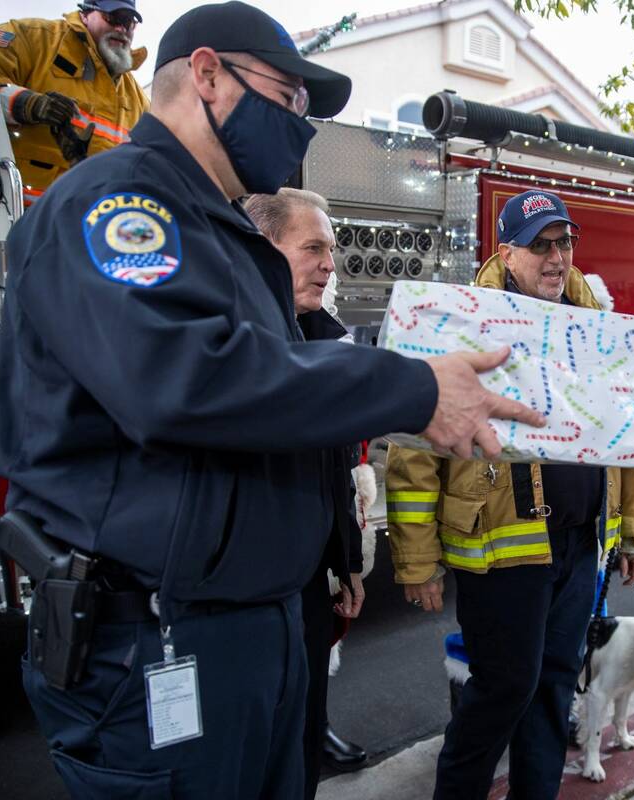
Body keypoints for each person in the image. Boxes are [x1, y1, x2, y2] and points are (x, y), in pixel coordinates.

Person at [0, 4, 543, 798]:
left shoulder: (220, 233)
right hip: (155, 640)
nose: (301, 127)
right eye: (288, 99)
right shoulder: (115, 205)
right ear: (207, 74)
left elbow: (274, 412)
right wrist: (410, 387)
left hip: (254, 628)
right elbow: (187, 382)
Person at [386, 189, 634, 800]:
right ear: (506, 252)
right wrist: (418, 560)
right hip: (499, 550)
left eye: (565, 242)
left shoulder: (594, 320)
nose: (557, 256)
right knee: (504, 688)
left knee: (556, 686)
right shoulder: (465, 320)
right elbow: (414, 452)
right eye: (540, 245)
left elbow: (631, 432)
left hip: (578, 541)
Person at [244, 187, 369, 794]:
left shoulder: (325, 340)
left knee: (302, 743)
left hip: (308, 590)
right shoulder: (233, 343)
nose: (330, 263)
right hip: (245, 595)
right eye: (314, 247)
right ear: (261, 251)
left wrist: (347, 563)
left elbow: (336, 468)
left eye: (333, 249)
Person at [0, 1, 149, 206]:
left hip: (75, 228)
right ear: (86, 14)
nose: (121, 29)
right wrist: (29, 104)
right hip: (0, 215)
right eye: (113, 17)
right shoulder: (32, 38)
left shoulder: (138, 100)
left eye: (128, 22)